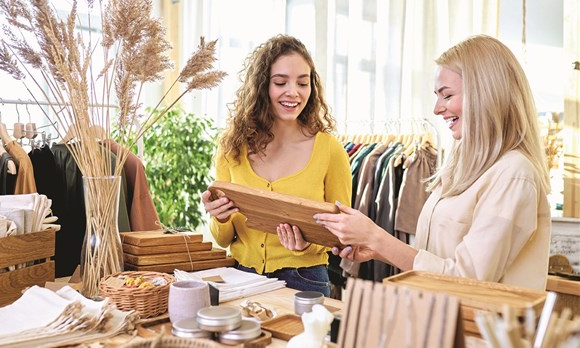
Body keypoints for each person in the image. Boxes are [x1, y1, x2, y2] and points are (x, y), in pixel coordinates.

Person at [313, 35, 551, 291]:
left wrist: (378, 238)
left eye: (446, 96)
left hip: (480, 329)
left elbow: (468, 279)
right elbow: (437, 258)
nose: (437, 109)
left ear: (485, 94)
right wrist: (375, 249)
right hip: (440, 319)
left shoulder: (514, 174)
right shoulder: (461, 166)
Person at [201, 34, 352, 296]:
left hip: (306, 280)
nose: (293, 92)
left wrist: (307, 246)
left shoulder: (329, 149)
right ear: (262, 87)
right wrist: (220, 216)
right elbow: (223, 238)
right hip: (242, 277)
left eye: (303, 83)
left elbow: (341, 232)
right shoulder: (231, 148)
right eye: (280, 82)